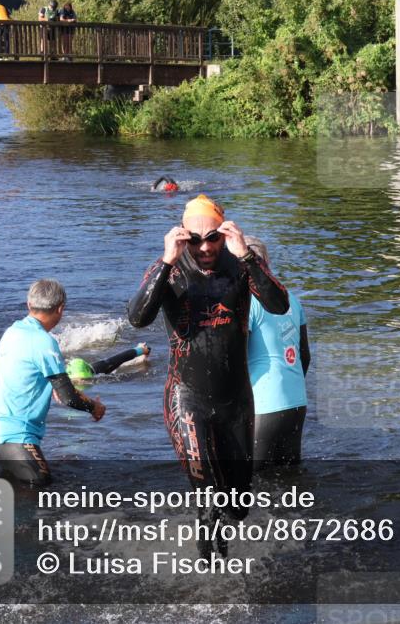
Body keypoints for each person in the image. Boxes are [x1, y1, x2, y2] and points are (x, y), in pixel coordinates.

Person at [127, 194, 289, 557]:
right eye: (194, 239)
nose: (204, 247)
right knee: (209, 496)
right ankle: (210, 582)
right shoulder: (169, 268)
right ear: (182, 236)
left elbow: (280, 304)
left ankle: (218, 547)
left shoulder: (242, 264)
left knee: (239, 506)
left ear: (225, 232)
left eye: (212, 237)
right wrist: (168, 259)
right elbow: (137, 317)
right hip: (188, 398)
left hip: (235, 400)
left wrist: (247, 254)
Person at [0, 279, 106, 487]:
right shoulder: (43, 341)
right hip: (17, 437)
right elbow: (69, 397)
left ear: (29, 305)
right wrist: (95, 407)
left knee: (18, 496)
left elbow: (25, 377)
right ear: (60, 309)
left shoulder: (12, 332)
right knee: (42, 492)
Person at [244, 238, 310, 469]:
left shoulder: (247, 302)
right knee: (291, 477)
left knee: (252, 483)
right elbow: (305, 356)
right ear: (267, 263)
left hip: (263, 404)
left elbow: (237, 361)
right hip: (296, 402)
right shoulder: (291, 299)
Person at [67, 343, 151, 385]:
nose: (82, 381)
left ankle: (140, 349)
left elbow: (121, 357)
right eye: (81, 379)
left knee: (117, 362)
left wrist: (141, 350)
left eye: (83, 379)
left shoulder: (98, 371)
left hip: (98, 368)